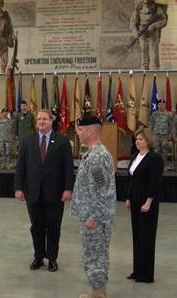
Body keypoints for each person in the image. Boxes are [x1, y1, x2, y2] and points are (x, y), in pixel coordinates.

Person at [15, 109, 74, 272]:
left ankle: (52, 258)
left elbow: (68, 167)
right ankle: (38, 256)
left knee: (53, 227)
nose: (41, 121)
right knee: (36, 227)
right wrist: (18, 188)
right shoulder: (27, 141)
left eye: (44, 119)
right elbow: (20, 166)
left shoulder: (62, 141)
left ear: (51, 121)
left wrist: (68, 188)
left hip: (55, 193)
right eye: (39, 119)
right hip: (33, 192)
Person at [70, 116, 117, 298]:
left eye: (80, 130)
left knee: (94, 254)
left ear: (90, 131)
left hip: (95, 218)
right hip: (95, 215)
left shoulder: (97, 157)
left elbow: (101, 191)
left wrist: (93, 217)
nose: (78, 132)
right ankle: (100, 291)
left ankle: (96, 294)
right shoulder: (96, 153)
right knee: (99, 253)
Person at [125, 127, 163, 283]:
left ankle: (146, 274)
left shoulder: (154, 158)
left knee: (146, 237)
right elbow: (132, 179)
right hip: (134, 201)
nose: (137, 141)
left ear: (148, 141)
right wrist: (128, 198)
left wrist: (148, 201)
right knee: (137, 236)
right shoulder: (135, 156)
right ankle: (137, 269)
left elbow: (155, 182)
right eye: (136, 139)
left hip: (146, 203)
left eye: (140, 139)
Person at [130, 0, 167, 70]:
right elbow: (133, 22)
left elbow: (163, 19)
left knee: (154, 55)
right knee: (144, 55)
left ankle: (155, 73)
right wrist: (135, 32)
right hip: (142, 33)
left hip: (153, 33)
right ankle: (144, 73)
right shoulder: (139, 8)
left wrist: (154, 25)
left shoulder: (156, 7)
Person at [149, 99, 172, 171]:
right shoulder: (154, 114)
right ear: (158, 105)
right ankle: (156, 166)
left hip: (164, 135)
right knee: (156, 151)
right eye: (159, 104)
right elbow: (151, 124)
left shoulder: (168, 114)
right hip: (156, 135)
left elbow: (170, 125)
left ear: (164, 105)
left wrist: (170, 135)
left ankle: (164, 165)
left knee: (164, 151)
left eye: (162, 104)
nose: (161, 106)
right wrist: (150, 134)